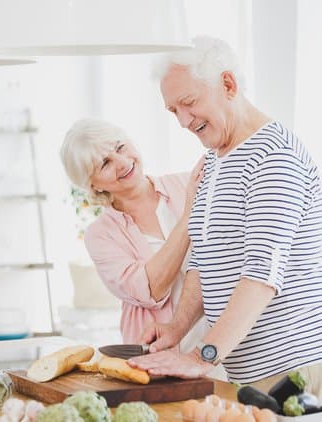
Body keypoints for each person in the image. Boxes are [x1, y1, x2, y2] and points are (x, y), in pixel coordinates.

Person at [127, 36, 322, 398]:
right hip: (250, 375)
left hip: (294, 372)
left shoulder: (274, 158)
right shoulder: (215, 161)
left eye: (188, 103)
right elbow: (204, 258)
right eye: (173, 111)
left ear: (228, 84)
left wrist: (203, 357)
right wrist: (176, 328)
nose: (183, 121)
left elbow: (262, 273)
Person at [60, 118, 217, 360]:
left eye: (120, 147)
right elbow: (151, 289)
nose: (122, 163)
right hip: (157, 350)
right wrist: (189, 216)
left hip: (221, 340)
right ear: (93, 185)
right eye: (105, 163)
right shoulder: (101, 235)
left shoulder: (188, 182)